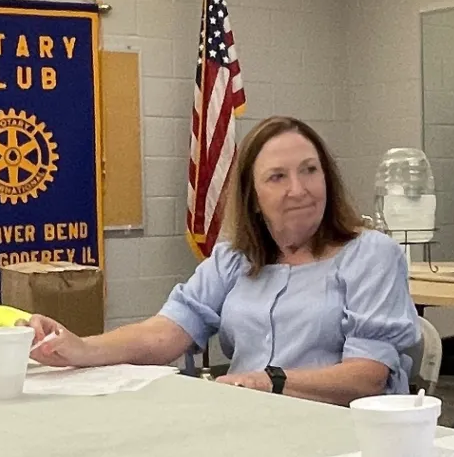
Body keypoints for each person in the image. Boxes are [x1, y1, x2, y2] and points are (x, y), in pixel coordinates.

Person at [21, 116, 419, 406]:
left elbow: (368, 375)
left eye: (310, 171)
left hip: (340, 434)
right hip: (247, 421)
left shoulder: (371, 254)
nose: (299, 189)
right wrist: (79, 348)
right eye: (277, 177)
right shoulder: (233, 259)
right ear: (254, 198)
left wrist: (268, 382)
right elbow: (165, 333)